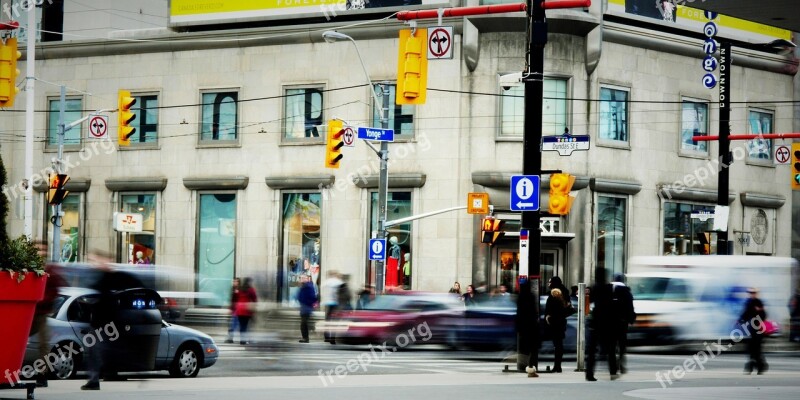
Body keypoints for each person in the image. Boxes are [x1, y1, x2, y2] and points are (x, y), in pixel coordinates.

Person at [82, 250, 144, 391]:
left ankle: (100, 376)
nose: (94, 263)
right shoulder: (99, 277)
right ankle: (95, 379)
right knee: (97, 350)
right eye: (92, 261)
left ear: (106, 260)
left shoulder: (116, 277)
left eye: (96, 260)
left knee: (110, 349)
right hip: (100, 321)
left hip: (110, 322)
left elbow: (136, 285)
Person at [31, 241, 66, 387]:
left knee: (43, 344)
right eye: (38, 249)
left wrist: (44, 301)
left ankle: (42, 374)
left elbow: (57, 287)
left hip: (40, 312)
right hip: (28, 310)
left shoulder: (50, 269)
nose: (41, 252)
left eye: (43, 249)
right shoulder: (29, 267)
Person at [585, 267, 619, 381]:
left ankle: (589, 373)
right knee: (611, 349)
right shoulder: (610, 288)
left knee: (591, 350)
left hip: (596, 322)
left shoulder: (594, 287)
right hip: (608, 322)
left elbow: (590, 302)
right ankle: (613, 371)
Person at [545, 277, 571, 373]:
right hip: (560, 321)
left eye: (550, 282)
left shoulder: (556, 293)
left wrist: (549, 317)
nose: (548, 284)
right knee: (558, 344)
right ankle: (557, 365)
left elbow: (554, 308)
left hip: (556, 322)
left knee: (558, 344)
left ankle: (557, 366)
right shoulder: (564, 292)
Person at [612, 274, 636, 374]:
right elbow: (630, 307)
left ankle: (613, 364)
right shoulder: (626, 292)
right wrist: (631, 318)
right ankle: (621, 362)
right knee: (622, 343)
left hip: (611, 321)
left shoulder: (609, 290)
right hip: (622, 322)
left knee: (612, 344)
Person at [740, 287, 768, 374]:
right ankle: (755, 367)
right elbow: (745, 313)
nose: (752, 294)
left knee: (756, 349)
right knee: (751, 349)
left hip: (758, 329)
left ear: (756, 293)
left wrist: (758, 312)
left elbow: (764, 315)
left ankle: (759, 367)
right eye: (750, 293)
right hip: (751, 329)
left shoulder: (759, 302)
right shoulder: (748, 302)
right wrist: (741, 320)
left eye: (753, 293)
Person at [515, 280, 539, 377]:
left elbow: (518, 312)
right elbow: (534, 311)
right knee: (533, 348)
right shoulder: (531, 296)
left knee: (524, 348)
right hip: (531, 326)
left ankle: (523, 366)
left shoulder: (520, 297)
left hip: (522, 326)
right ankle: (530, 368)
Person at [233, 277, 257, 345]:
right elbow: (255, 299)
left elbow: (236, 298)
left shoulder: (239, 289)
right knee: (246, 325)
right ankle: (246, 340)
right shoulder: (251, 290)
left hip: (239, 309)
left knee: (242, 325)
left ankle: (242, 340)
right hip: (246, 309)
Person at [322, 270, 343, 344]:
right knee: (335, 321)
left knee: (327, 321)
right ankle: (332, 338)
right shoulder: (339, 282)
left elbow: (324, 293)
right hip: (336, 304)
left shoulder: (326, 282)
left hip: (328, 303)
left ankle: (327, 337)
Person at [296, 274, 317, 343]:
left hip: (306, 307)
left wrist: (307, 303)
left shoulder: (308, 286)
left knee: (304, 323)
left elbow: (312, 297)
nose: (301, 279)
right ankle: (305, 337)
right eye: (301, 278)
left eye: (303, 278)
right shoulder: (304, 286)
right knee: (304, 323)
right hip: (304, 307)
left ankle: (305, 338)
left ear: (307, 279)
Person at [225, 278, 241, 343]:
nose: (234, 282)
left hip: (238, 310)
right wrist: (230, 308)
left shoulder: (239, 290)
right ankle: (230, 338)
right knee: (234, 324)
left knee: (234, 325)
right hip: (234, 310)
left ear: (239, 282)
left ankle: (231, 339)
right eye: (234, 281)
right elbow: (232, 300)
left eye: (236, 281)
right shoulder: (233, 289)